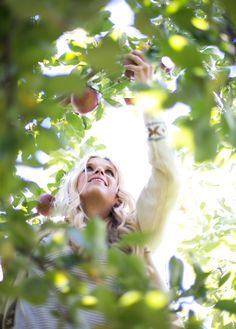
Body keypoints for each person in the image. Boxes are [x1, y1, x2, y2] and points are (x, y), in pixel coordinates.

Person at [3, 51, 180, 329]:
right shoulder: (41, 235)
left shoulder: (135, 236)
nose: (99, 172)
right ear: (75, 185)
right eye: (90, 168)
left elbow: (167, 175)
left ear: (118, 196)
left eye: (109, 172)